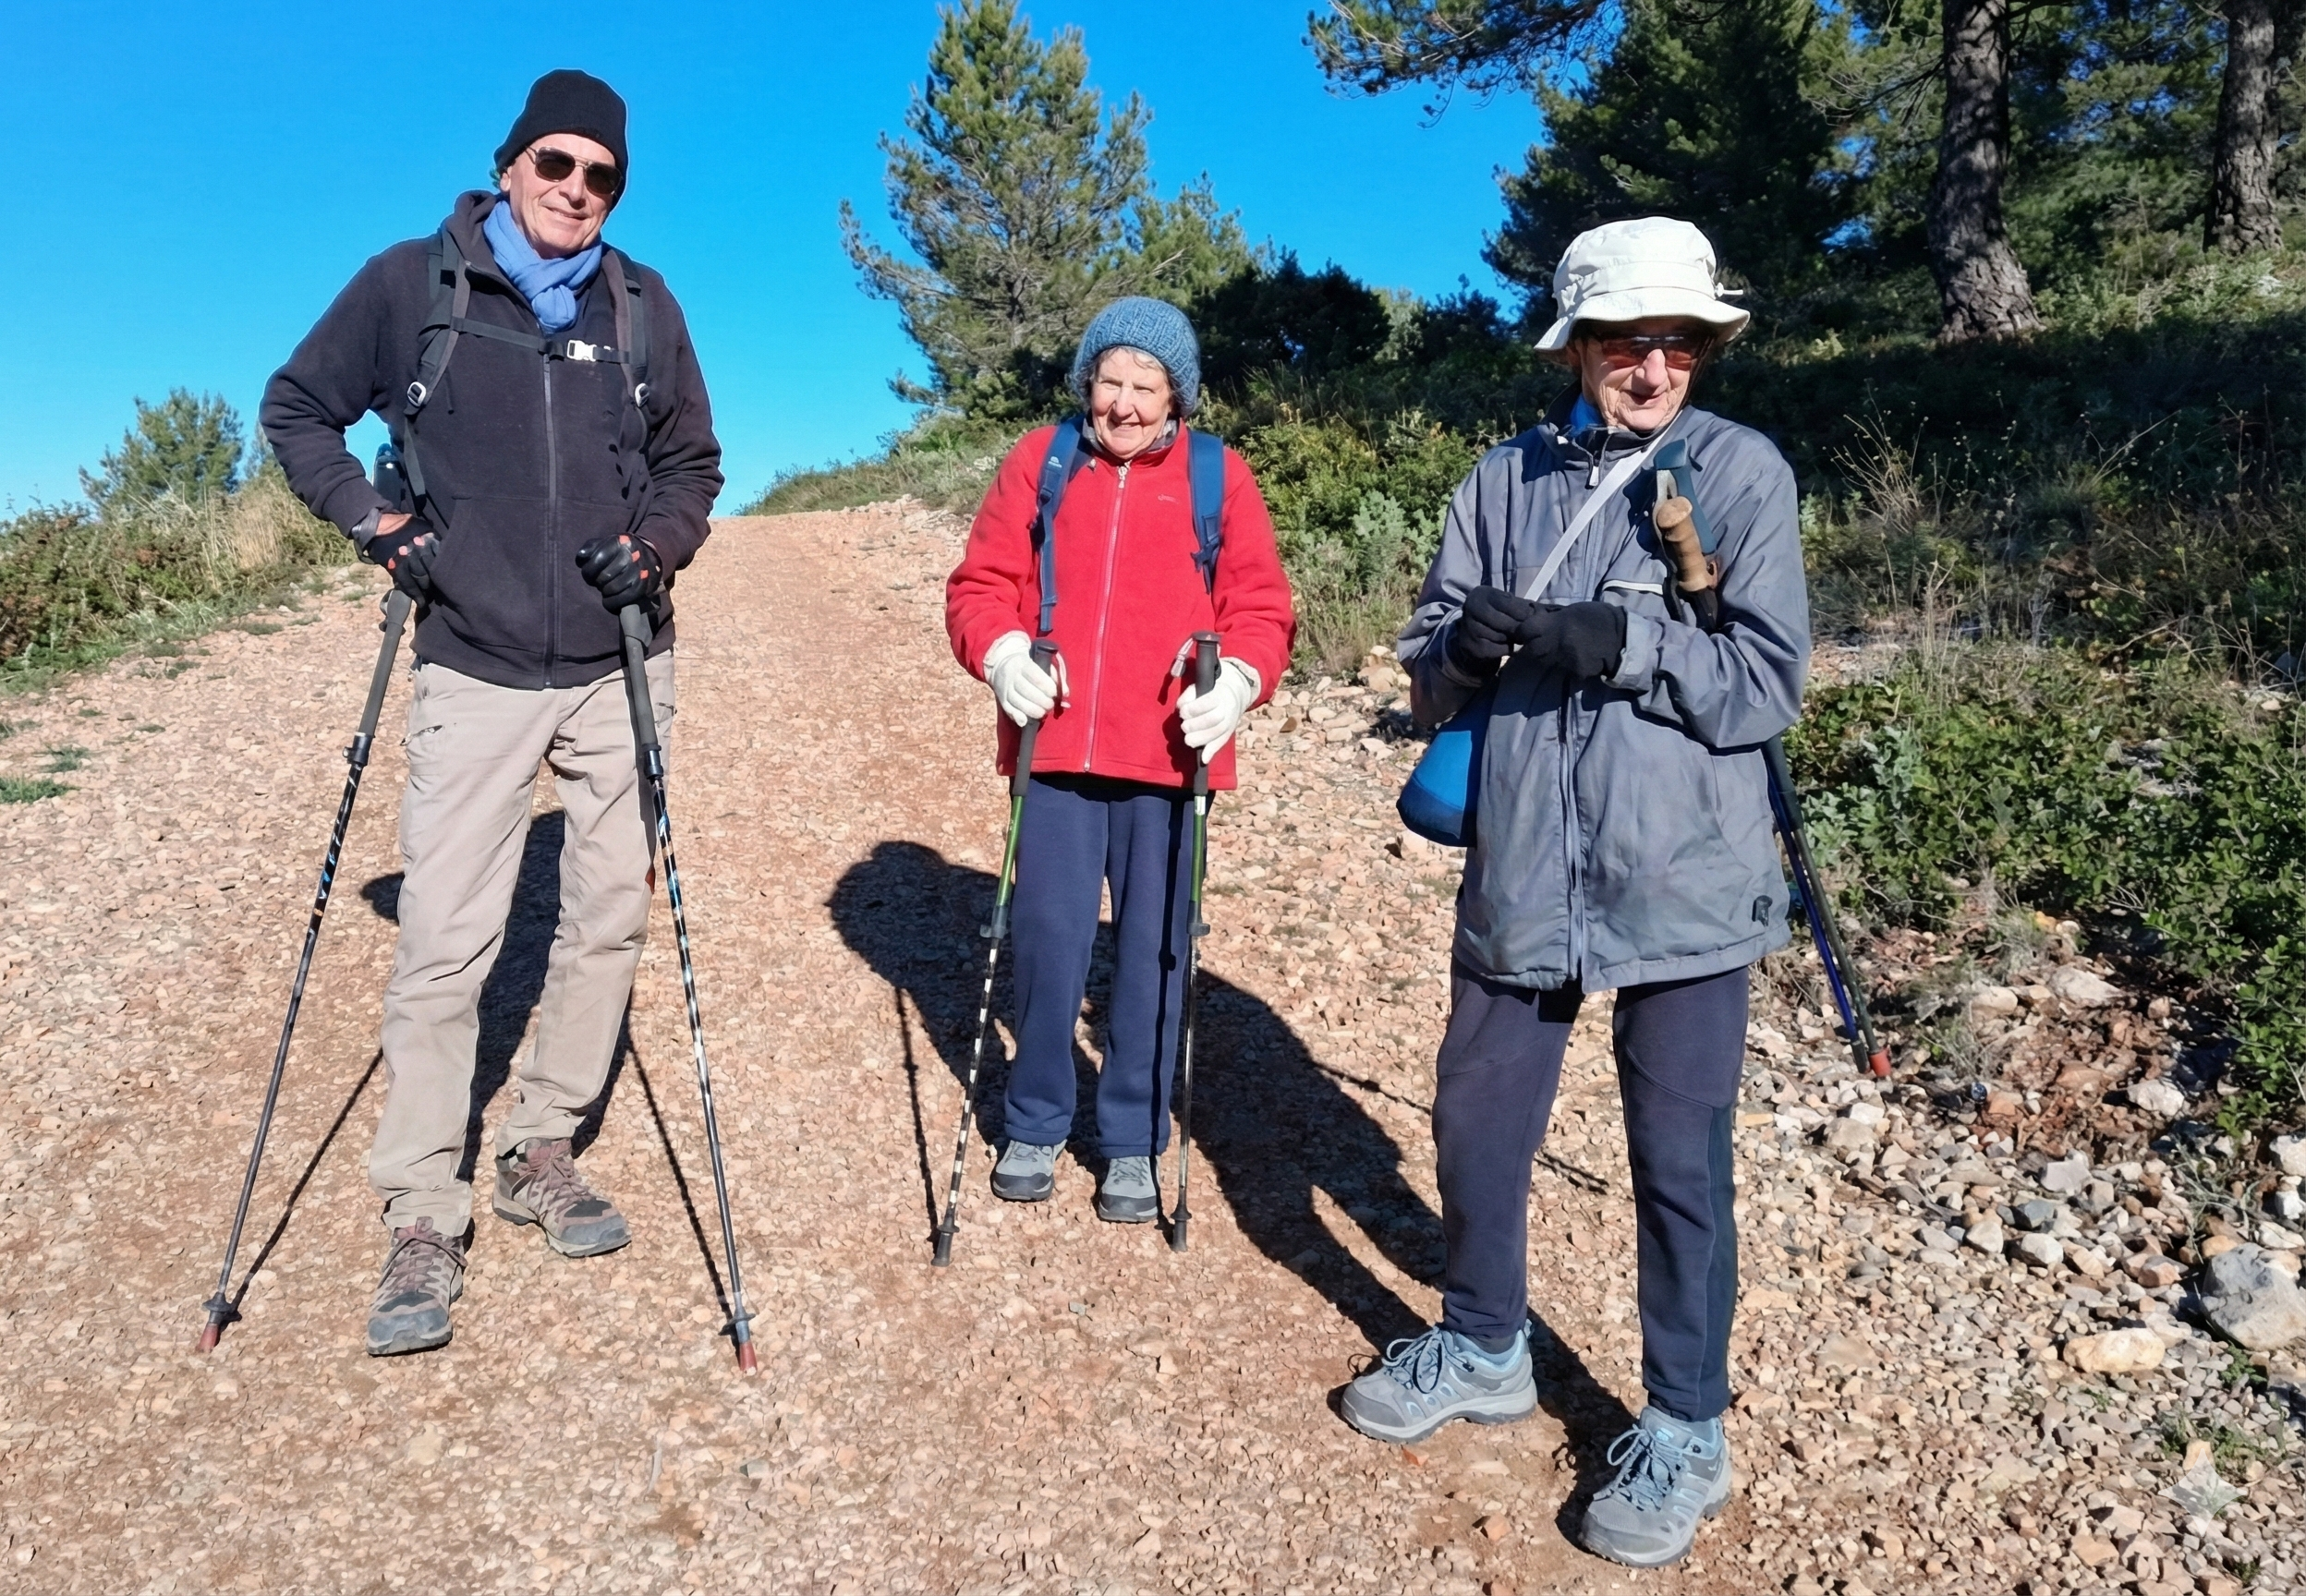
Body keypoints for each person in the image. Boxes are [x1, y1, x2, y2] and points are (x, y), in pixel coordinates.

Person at [1341, 217, 1809, 1570]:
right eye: (1624, 341)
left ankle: (1686, 1427)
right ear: (1579, 348)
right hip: (1523, 864)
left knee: (1679, 1158)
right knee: (1478, 1117)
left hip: (1688, 875)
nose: (1652, 367)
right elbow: (1425, 667)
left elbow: (1767, 684)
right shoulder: (1502, 478)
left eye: (1677, 342)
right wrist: (1465, 651)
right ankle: (1484, 1340)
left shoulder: (1743, 473)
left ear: (1704, 348)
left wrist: (1621, 641)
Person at [261, 69, 723, 1356]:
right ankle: (422, 1207)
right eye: (558, 164)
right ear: (512, 162)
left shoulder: (642, 307)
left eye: (602, 176)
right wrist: (376, 522)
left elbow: (694, 461)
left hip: (620, 655)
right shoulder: (412, 284)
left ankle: (540, 1146)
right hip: (471, 660)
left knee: (606, 915)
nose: (578, 190)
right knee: (448, 940)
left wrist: (662, 547)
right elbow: (298, 409)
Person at [945, 298, 1296, 1223]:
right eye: (1111, 381)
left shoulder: (1220, 476)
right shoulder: (1042, 462)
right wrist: (1002, 654)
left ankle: (1135, 1137)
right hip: (1055, 752)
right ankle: (1034, 1119)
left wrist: (1242, 681)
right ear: (1087, 383)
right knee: (1049, 945)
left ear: (1176, 393)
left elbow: (1262, 606)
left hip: (1172, 760)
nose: (1127, 404)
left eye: (1147, 385)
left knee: (1156, 955)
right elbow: (981, 585)